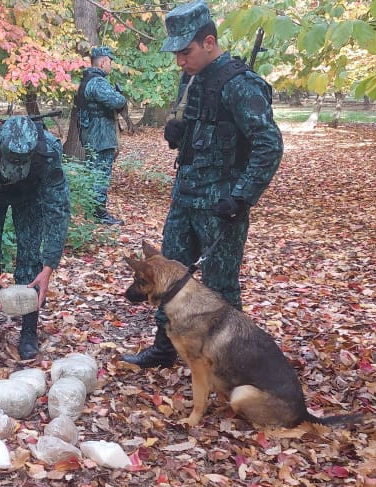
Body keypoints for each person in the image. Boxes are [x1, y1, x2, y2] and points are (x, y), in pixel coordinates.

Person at [123, 0, 283, 369]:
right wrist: (178, 134)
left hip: (221, 205)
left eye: (186, 51)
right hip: (185, 196)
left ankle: (234, 362)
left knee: (220, 288)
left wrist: (242, 196)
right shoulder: (191, 79)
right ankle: (166, 348)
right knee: (166, 277)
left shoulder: (241, 85)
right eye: (176, 53)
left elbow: (269, 145)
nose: (180, 60)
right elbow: (201, 133)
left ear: (209, 42)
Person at [0, 116, 71, 360]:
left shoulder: (48, 151)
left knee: (31, 256)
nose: (16, 174)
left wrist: (50, 265)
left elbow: (58, 209)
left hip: (30, 197)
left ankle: (29, 332)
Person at [76, 46, 127, 225]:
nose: (110, 66)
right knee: (100, 175)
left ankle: (92, 211)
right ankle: (99, 214)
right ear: (103, 61)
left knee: (93, 174)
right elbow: (118, 101)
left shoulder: (86, 80)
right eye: (110, 62)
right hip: (100, 138)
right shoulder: (97, 82)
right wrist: (120, 96)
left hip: (92, 136)